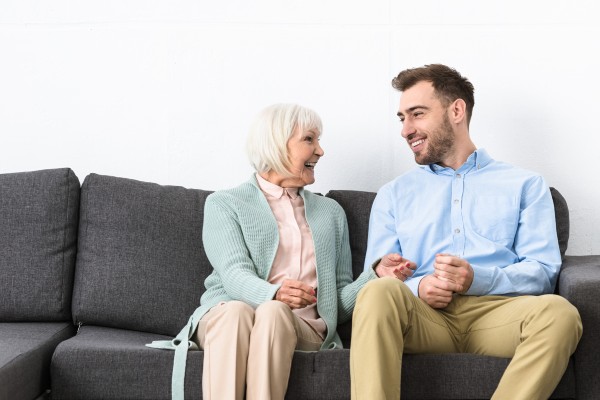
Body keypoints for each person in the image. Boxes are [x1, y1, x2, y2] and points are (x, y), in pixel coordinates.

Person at [149, 103, 414, 400]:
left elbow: (334, 303)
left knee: (275, 313)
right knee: (237, 311)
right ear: (277, 144)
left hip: (302, 327)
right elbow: (234, 273)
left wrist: (375, 276)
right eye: (309, 139)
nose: (321, 150)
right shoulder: (225, 204)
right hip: (227, 317)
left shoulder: (330, 214)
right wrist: (274, 293)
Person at [349, 64, 582, 400]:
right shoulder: (393, 194)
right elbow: (378, 275)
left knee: (561, 315)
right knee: (377, 293)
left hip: (498, 313)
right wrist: (418, 285)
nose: (405, 130)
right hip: (423, 319)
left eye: (417, 114)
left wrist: (478, 279)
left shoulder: (525, 185)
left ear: (456, 110)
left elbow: (543, 271)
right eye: (402, 118)